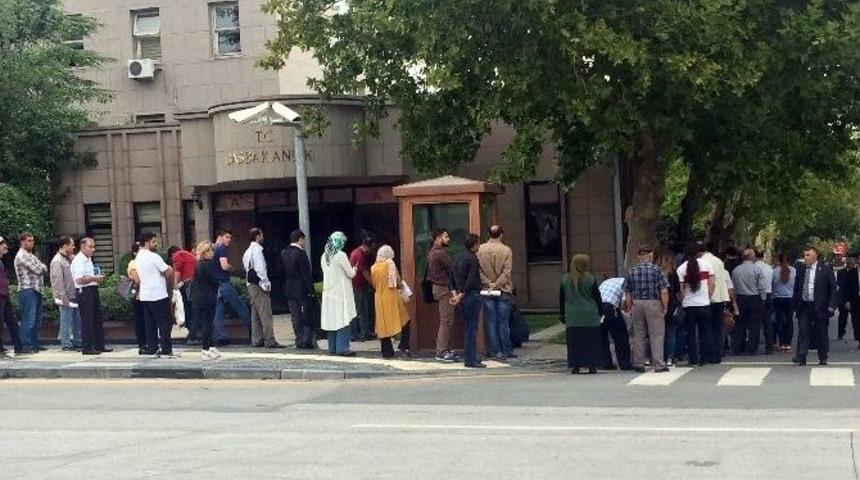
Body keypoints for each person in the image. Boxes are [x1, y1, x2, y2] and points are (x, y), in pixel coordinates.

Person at [623, 244, 670, 373]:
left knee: (639, 334)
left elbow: (627, 293)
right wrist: (665, 306)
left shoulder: (631, 271)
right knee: (657, 334)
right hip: (654, 303)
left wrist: (630, 305)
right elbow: (664, 291)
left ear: (638, 256)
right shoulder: (657, 270)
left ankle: (639, 363)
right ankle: (659, 364)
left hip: (637, 303)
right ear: (650, 255)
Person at [793, 247, 838, 366]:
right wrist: (795, 304)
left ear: (815, 256)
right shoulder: (801, 269)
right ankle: (801, 356)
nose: (805, 258)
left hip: (820, 306)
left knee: (821, 332)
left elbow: (833, 287)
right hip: (804, 305)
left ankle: (823, 357)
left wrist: (832, 304)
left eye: (808, 255)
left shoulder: (825, 268)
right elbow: (797, 287)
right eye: (805, 255)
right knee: (803, 331)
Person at [560, 254, 604, 374]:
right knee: (591, 342)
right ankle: (592, 366)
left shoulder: (565, 279)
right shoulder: (590, 279)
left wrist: (562, 315)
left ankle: (575, 366)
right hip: (590, 316)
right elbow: (597, 297)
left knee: (575, 343)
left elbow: (562, 299)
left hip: (572, 316)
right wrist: (601, 311)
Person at [477, 225, 516, 360]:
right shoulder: (506, 250)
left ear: (489, 234)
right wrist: (496, 284)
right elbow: (507, 272)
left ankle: (493, 350)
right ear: (501, 235)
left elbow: (479, 270)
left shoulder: (480, 249)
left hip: (487, 290)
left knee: (490, 321)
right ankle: (506, 350)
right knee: (503, 321)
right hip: (503, 289)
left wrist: (488, 283)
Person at [243, 228, 284, 349]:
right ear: (257, 236)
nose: (263, 237)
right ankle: (269, 340)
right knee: (265, 312)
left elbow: (246, 268)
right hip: (259, 284)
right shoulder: (257, 250)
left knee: (255, 313)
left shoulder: (247, 251)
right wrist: (266, 283)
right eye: (261, 235)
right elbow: (260, 269)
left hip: (250, 284)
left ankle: (257, 339)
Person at [136, 233, 175, 357]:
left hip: (145, 295)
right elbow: (168, 271)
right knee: (165, 322)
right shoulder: (154, 257)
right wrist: (170, 287)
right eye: (153, 242)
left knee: (150, 323)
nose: (156, 244)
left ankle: (152, 347)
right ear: (147, 243)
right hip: (158, 293)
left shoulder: (138, 257)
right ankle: (166, 348)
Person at [212, 229, 251, 346]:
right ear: (220, 236)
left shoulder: (211, 249)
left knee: (218, 312)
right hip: (224, 283)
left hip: (215, 285)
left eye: (230, 238)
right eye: (227, 237)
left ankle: (220, 337)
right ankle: (253, 330)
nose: (229, 240)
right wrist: (231, 267)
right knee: (240, 306)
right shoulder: (221, 248)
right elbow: (224, 266)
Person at [677, 242, 714, 366]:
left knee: (691, 333)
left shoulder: (681, 268)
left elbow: (681, 290)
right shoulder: (707, 265)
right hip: (704, 303)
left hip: (689, 305)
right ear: (698, 252)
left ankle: (693, 358)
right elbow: (712, 284)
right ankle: (705, 358)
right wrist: (707, 297)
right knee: (705, 332)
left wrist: (682, 300)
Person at [320, 231, 357, 356]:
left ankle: (333, 347)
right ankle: (342, 348)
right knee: (343, 319)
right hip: (340, 293)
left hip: (328, 293)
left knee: (331, 321)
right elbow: (350, 274)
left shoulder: (324, 256)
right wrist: (355, 269)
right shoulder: (341, 255)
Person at [372, 244, 411, 359]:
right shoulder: (390, 264)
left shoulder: (373, 267)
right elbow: (397, 281)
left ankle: (387, 352)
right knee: (405, 321)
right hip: (392, 297)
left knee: (383, 325)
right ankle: (404, 345)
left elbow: (374, 284)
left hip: (379, 298)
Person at [70, 237, 108, 355]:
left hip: (92, 288)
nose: (93, 249)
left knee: (97, 318)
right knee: (87, 319)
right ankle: (87, 347)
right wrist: (95, 278)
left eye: (94, 247)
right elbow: (80, 279)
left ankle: (99, 345)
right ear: (82, 247)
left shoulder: (89, 259)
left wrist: (96, 279)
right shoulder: (78, 261)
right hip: (84, 291)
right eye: (90, 247)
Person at [282, 230, 317, 349]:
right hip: (302, 289)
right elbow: (306, 273)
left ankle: (298, 339)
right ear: (300, 239)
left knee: (295, 316)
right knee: (306, 314)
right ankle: (306, 340)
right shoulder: (301, 253)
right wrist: (311, 290)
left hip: (289, 288)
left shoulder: (284, 252)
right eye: (304, 240)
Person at [427, 228, 459, 362]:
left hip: (439, 288)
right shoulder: (440, 253)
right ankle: (441, 351)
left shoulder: (432, 252)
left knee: (446, 320)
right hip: (444, 289)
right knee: (446, 321)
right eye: (446, 237)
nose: (448, 239)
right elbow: (452, 268)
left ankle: (445, 349)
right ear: (438, 237)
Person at [452, 234, 484, 368]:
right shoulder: (473, 259)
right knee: (472, 328)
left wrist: (456, 294)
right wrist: (461, 294)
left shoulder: (458, 257)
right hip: (471, 295)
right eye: (478, 243)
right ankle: (471, 359)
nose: (480, 246)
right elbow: (471, 280)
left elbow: (452, 277)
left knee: (468, 327)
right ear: (475, 245)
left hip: (461, 296)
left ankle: (472, 356)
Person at [731, 248, 768, 355]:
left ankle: (738, 347)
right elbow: (762, 287)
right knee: (754, 325)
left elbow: (733, 287)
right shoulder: (757, 270)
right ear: (752, 257)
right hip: (754, 298)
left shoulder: (736, 270)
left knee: (740, 324)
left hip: (740, 298)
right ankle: (751, 348)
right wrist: (763, 299)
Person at [14, 232, 47, 353]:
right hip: (27, 289)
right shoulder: (21, 255)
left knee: (36, 319)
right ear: (22, 242)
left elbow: (44, 266)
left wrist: (41, 268)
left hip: (37, 289)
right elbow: (38, 269)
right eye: (28, 240)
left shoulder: (31, 255)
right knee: (28, 319)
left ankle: (34, 344)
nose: (31, 243)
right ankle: (25, 345)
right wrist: (41, 268)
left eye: (32, 240)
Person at [50, 235, 82, 351]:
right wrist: (62, 295)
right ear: (65, 246)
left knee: (76, 319)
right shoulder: (57, 261)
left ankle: (77, 341)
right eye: (72, 245)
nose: (74, 247)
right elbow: (57, 280)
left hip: (73, 294)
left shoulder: (69, 259)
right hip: (65, 295)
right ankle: (66, 343)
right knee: (66, 319)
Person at [192, 242, 222, 360]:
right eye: (209, 251)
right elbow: (214, 280)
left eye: (212, 251)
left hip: (202, 297)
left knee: (207, 323)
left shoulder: (200, 264)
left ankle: (210, 346)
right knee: (208, 324)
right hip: (207, 298)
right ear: (203, 252)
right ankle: (205, 349)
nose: (211, 253)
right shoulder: (206, 265)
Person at [702, 242, 730, 363]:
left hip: (707, 297)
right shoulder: (719, 261)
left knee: (707, 327)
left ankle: (709, 353)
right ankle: (718, 353)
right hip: (719, 297)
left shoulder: (702, 262)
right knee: (718, 327)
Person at [653, 249, 681, 366]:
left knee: (657, 333)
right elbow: (678, 291)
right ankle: (670, 357)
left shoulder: (655, 273)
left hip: (657, 304)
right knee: (671, 332)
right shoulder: (673, 274)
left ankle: (659, 356)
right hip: (672, 305)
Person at [597, 276, 632, 370]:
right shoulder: (627, 283)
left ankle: (605, 363)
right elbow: (625, 302)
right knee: (620, 335)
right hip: (610, 307)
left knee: (602, 336)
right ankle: (625, 363)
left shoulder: (606, 282)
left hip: (598, 307)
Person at [168, 245, 198, 345]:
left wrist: (175, 285)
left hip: (188, 284)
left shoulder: (177, 255)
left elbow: (177, 271)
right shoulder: (187, 255)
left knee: (189, 309)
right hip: (192, 283)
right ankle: (192, 334)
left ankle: (192, 335)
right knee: (191, 308)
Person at [349, 236, 375, 341]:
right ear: (368, 247)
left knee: (363, 309)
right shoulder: (360, 255)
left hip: (358, 285)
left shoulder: (355, 252)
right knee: (358, 310)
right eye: (372, 248)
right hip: (357, 286)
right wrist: (374, 285)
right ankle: (354, 334)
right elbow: (365, 273)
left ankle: (365, 332)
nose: (372, 251)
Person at [0, 236, 23, 356]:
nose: (6, 246)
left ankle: (19, 347)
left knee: (11, 320)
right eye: (3, 244)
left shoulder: (1, 261)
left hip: (4, 294)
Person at [772, 253, 796, 353]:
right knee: (789, 321)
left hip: (777, 299)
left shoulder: (774, 271)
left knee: (780, 321)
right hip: (790, 298)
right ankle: (788, 344)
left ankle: (781, 343)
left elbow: (771, 284)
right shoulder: (794, 271)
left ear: (779, 260)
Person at [127, 242, 147, 354]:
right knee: (140, 320)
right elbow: (137, 279)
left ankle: (147, 341)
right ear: (135, 252)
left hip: (145, 296)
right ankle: (142, 343)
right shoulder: (133, 263)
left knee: (146, 320)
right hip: (138, 296)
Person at [754, 249, 776, 354]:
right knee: (767, 322)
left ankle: (754, 345)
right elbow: (773, 281)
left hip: (757, 295)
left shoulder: (754, 268)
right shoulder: (769, 268)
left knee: (756, 322)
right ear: (763, 256)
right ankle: (769, 346)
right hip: (768, 294)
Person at [840, 252, 860, 349]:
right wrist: (846, 300)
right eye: (859, 259)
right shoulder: (851, 273)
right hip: (855, 300)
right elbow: (846, 288)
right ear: (857, 260)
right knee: (856, 320)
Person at [832, 243, 849, 340]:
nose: (838, 257)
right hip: (831, 293)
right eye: (837, 255)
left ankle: (841, 332)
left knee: (843, 314)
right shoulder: (829, 266)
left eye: (840, 255)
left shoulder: (848, 268)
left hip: (843, 295)